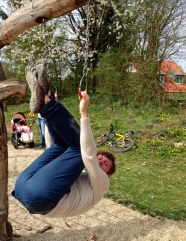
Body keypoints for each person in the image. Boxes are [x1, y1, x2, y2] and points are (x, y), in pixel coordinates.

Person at [12, 60, 116, 218]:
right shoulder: (79, 174)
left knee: (79, 150)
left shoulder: (103, 185)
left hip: (40, 198)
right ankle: (46, 100)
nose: (100, 161)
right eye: (101, 158)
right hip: (21, 186)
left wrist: (84, 114)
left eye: (105, 164)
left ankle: (46, 102)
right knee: (60, 147)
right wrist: (45, 118)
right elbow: (52, 146)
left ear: (108, 174)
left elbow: (88, 154)